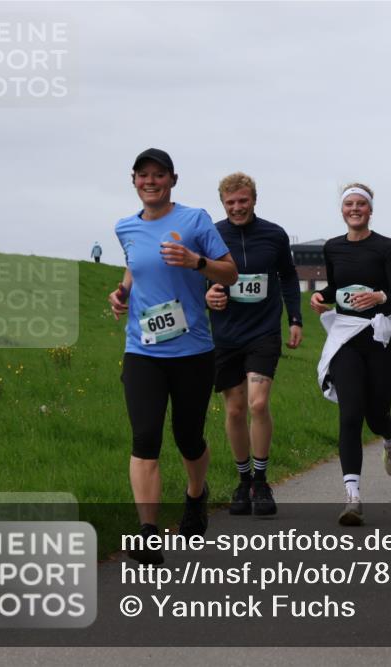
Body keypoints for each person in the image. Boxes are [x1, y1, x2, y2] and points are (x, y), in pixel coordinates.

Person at [108, 148, 238, 564]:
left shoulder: (195, 220)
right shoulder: (125, 227)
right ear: (134, 181)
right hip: (142, 350)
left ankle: (196, 496)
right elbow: (134, 265)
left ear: (172, 180)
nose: (151, 181)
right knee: (145, 438)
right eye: (143, 175)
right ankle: (147, 534)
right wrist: (123, 292)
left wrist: (197, 261)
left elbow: (230, 271)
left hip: (193, 351)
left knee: (188, 437)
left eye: (159, 175)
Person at [311, 184, 391, 526]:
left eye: (361, 204)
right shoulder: (333, 247)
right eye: (349, 204)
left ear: (370, 210)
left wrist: (379, 297)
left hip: (378, 337)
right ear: (342, 210)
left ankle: (390, 436)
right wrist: (319, 297)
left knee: (375, 415)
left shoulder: (384, 246)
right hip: (345, 338)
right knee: (351, 413)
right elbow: (336, 286)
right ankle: (352, 497)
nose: (355, 209)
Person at [204, 172, 303, 518]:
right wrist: (209, 295)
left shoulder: (274, 235)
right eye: (230, 203)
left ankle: (261, 481)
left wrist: (295, 319)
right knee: (234, 410)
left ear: (254, 199)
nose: (237, 208)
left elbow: (289, 277)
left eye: (243, 201)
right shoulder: (213, 234)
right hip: (226, 335)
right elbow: (200, 276)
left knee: (258, 404)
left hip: (263, 332)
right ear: (223, 204)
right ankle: (242, 480)